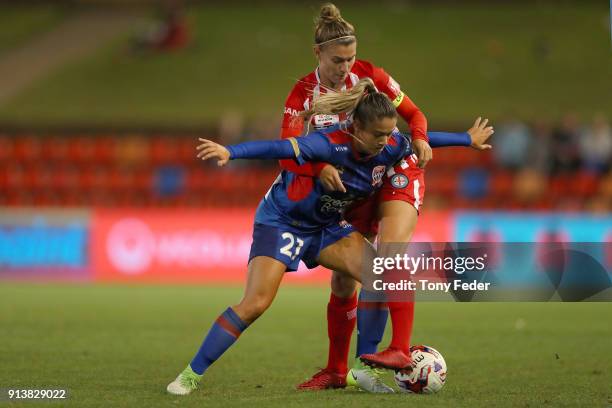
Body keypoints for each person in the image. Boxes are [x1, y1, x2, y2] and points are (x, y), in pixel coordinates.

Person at [166, 79, 493, 395]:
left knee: (381, 275)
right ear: (356, 128)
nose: (385, 140)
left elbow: (421, 140)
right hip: (282, 222)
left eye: (388, 133)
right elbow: (279, 147)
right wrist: (231, 151)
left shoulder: (389, 144)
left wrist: (466, 139)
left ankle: (367, 367)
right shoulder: (327, 143)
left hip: (325, 227)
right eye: (378, 134)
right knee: (255, 304)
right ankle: (190, 375)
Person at [280, 3, 492, 392]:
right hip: (356, 185)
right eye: (338, 59)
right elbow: (288, 147)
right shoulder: (302, 94)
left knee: (388, 255)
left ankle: (388, 353)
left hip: (395, 169)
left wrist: (427, 138)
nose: (346, 67)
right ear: (318, 54)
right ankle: (337, 371)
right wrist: (316, 170)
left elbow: (414, 116)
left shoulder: (370, 75)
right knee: (345, 283)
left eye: (351, 58)